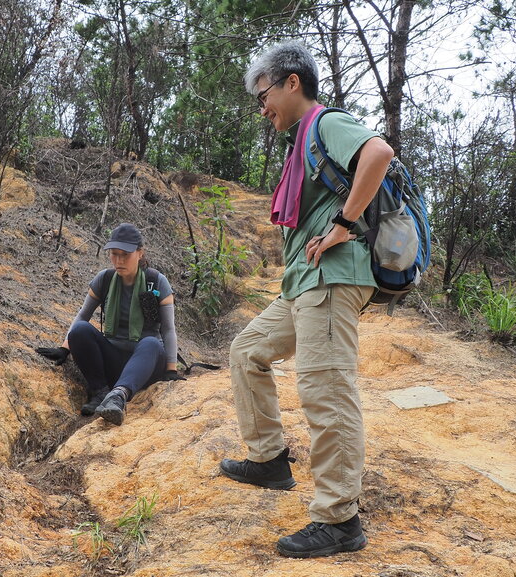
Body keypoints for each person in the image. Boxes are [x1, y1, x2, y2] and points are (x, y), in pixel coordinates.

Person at [218, 42, 393, 558]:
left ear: (292, 82)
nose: (262, 108)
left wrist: (342, 225)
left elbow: (378, 154)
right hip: (304, 282)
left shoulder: (325, 122)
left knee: (326, 389)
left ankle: (339, 520)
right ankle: (269, 461)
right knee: (247, 351)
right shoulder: (301, 141)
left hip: (332, 279)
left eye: (264, 95)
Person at [36, 223, 183, 425]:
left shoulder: (157, 281)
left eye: (125, 255)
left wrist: (171, 370)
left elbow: (168, 329)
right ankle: (100, 392)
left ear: (140, 253)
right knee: (80, 330)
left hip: (147, 363)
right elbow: (82, 316)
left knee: (151, 343)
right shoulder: (104, 279)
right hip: (114, 359)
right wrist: (64, 348)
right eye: (114, 254)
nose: (119, 260)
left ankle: (118, 396)